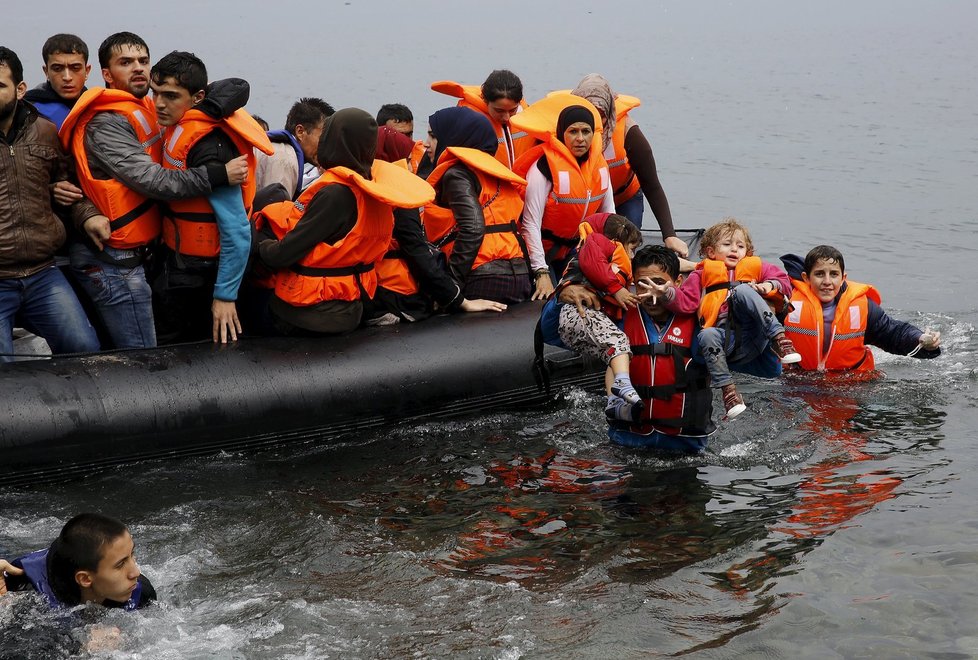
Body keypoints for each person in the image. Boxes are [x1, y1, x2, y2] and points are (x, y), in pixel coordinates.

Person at [60, 32, 250, 350]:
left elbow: (234, 87)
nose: (138, 69)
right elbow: (153, 181)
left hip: (154, 255)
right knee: (145, 355)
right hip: (115, 259)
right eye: (125, 63)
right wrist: (218, 175)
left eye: (143, 61)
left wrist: (225, 294)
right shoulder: (107, 123)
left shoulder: (148, 108)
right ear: (105, 74)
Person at [253, 108, 435, 335]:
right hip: (352, 304)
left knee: (255, 296)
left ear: (333, 141)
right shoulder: (375, 190)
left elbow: (284, 254)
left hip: (313, 313)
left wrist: (258, 243)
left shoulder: (335, 194)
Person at [539, 246, 715, 453]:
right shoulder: (620, 316)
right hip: (626, 443)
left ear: (678, 283)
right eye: (642, 285)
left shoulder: (700, 321)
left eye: (658, 283)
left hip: (686, 448)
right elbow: (550, 334)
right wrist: (561, 297)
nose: (650, 293)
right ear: (632, 285)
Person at [150, 50, 273, 344]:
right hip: (177, 260)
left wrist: (225, 296)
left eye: (170, 96)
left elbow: (237, 231)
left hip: (203, 274)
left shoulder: (210, 148)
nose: (159, 104)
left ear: (197, 97)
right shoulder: (181, 124)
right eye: (155, 93)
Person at [0, 46, 101, 362]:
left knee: (85, 352)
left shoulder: (44, 131)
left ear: (20, 89)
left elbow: (66, 185)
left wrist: (88, 215)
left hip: (43, 272)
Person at [643, 218, 801, 419]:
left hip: (753, 335)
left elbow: (784, 282)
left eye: (740, 246)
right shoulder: (701, 274)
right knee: (706, 334)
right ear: (711, 252)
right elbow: (686, 303)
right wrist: (667, 293)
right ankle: (729, 392)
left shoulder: (759, 267)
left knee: (743, 290)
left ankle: (780, 340)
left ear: (748, 252)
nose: (734, 249)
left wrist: (769, 286)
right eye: (727, 245)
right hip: (724, 341)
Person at [570, 74, 688, 257]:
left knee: (625, 249)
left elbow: (652, 185)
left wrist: (669, 235)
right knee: (584, 252)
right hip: (585, 203)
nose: (595, 123)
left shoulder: (629, 133)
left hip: (624, 197)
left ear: (609, 112)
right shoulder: (567, 131)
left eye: (601, 114)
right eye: (589, 114)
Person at [511, 93, 614, 299]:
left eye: (586, 132)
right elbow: (530, 223)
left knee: (595, 293)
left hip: (575, 248)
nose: (580, 138)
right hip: (542, 249)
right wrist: (541, 271)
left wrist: (610, 258)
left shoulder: (600, 166)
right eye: (573, 131)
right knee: (548, 296)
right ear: (561, 134)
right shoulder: (543, 168)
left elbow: (609, 216)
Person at [423, 106, 532, 303]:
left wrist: (451, 287)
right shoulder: (498, 172)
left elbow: (473, 227)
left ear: (455, 137)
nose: (426, 144)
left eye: (433, 136)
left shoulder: (456, 174)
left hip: (483, 276)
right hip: (520, 274)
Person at [780, 245, 941, 373]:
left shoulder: (863, 307)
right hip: (799, 381)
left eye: (834, 274)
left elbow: (893, 333)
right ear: (806, 278)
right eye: (820, 274)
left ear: (843, 278)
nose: (827, 281)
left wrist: (920, 339)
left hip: (851, 384)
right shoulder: (786, 303)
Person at [555, 213, 643, 405]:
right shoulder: (596, 242)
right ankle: (623, 384)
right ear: (618, 240)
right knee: (618, 341)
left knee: (614, 353)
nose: (631, 255)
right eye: (632, 248)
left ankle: (615, 403)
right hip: (578, 314)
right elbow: (592, 263)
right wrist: (616, 289)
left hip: (583, 322)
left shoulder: (616, 260)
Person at [1, 512, 155, 610]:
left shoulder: (143, 593)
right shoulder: (30, 604)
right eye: (120, 564)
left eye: (131, 554)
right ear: (85, 579)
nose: (135, 572)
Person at [431, 70, 534, 170]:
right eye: (499, 111)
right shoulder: (466, 123)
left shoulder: (529, 117)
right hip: (487, 185)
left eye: (512, 110)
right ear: (485, 100)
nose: (506, 117)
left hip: (523, 185)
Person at [256, 97, 334, 200]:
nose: (327, 145)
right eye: (323, 137)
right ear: (300, 132)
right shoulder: (285, 159)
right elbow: (273, 212)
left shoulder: (279, 149)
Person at [23, 34, 91, 129]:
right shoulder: (26, 110)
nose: (67, 77)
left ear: (87, 71)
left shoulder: (98, 107)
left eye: (75, 68)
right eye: (57, 69)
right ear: (46, 71)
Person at [376, 102, 428, 176]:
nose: (406, 141)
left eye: (409, 134)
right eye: (399, 135)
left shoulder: (424, 163)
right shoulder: (367, 166)